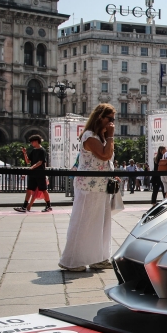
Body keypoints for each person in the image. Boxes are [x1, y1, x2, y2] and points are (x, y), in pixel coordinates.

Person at [59, 104, 118, 271]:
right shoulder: (89, 136)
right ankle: (72, 260)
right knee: (84, 222)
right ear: (100, 118)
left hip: (101, 186)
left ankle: (98, 258)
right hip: (88, 186)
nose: (112, 123)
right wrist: (111, 137)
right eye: (110, 119)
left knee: (100, 223)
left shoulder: (101, 137)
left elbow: (106, 160)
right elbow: (105, 154)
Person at [14, 135, 51, 213]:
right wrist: (25, 153)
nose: (31, 143)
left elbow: (40, 162)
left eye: (32, 141)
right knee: (29, 189)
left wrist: (32, 167)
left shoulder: (42, 150)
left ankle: (48, 206)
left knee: (43, 189)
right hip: (33, 173)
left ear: (37, 141)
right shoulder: (33, 151)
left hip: (40, 173)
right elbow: (28, 161)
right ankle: (24, 206)